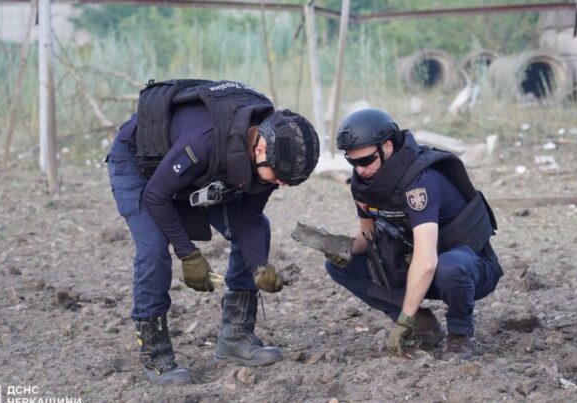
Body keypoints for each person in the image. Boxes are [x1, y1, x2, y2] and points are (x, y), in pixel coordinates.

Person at [106, 79, 319, 386]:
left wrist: (258, 266)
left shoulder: (268, 158)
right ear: (260, 147)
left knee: (260, 229)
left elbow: (248, 217)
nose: (281, 184)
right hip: (140, 164)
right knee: (153, 247)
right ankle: (155, 354)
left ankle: (235, 338)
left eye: (288, 181)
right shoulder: (204, 141)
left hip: (193, 173)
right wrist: (188, 254)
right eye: (280, 177)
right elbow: (156, 196)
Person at [324, 108, 502, 360]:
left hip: (467, 269)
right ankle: (423, 325)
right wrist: (340, 246)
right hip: (415, 265)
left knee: (448, 266)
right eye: (352, 162)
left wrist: (401, 323)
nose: (359, 169)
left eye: (365, 161)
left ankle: (460, 336)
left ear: (387, 146)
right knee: (338, 266)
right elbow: (368, 233)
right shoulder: (365, 183)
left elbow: (427, 261)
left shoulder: (420, 183)